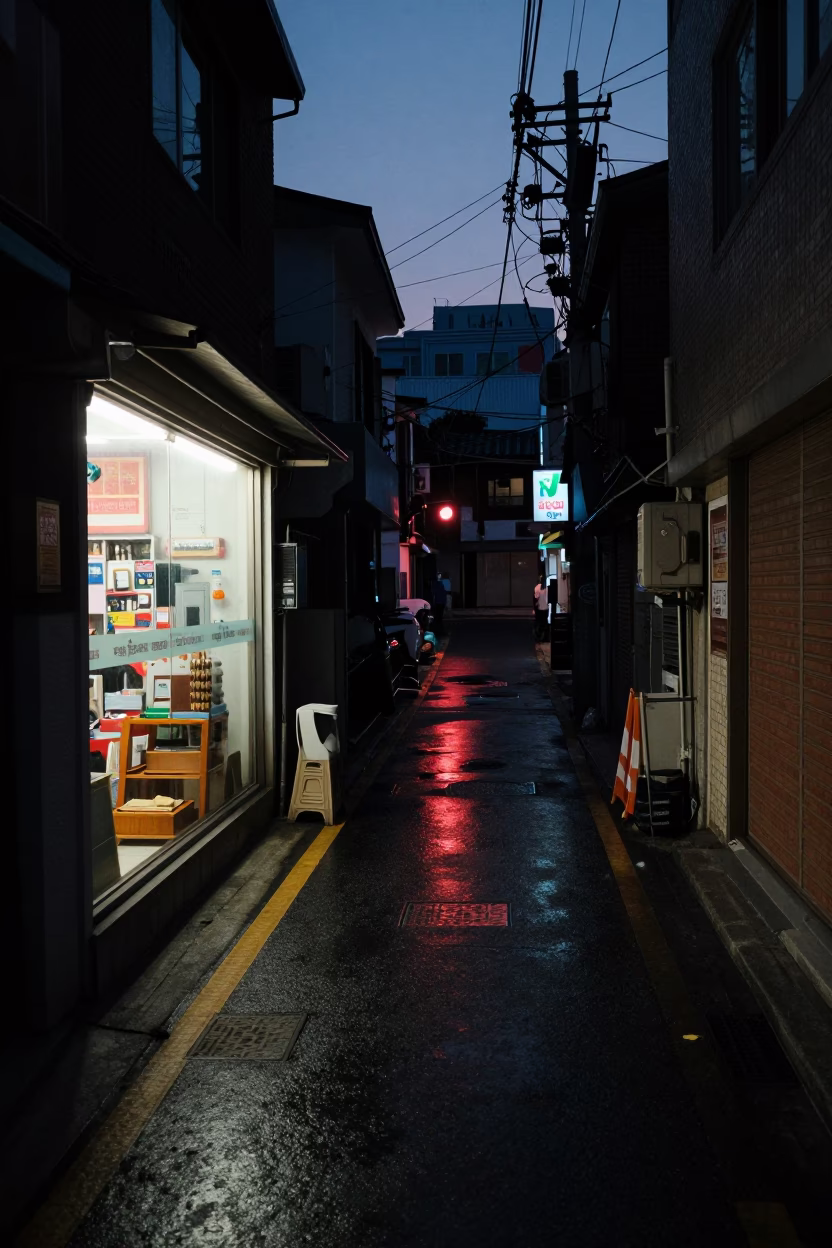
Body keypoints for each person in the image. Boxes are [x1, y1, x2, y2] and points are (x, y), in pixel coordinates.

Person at [533, 574, 548, 640]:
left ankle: (539, 634)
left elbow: (535, 599)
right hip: (545, 608)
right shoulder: (547, 589)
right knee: (544, 621)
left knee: (539, 621)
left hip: (539, 608)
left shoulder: (537, 588)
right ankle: (544, 635)